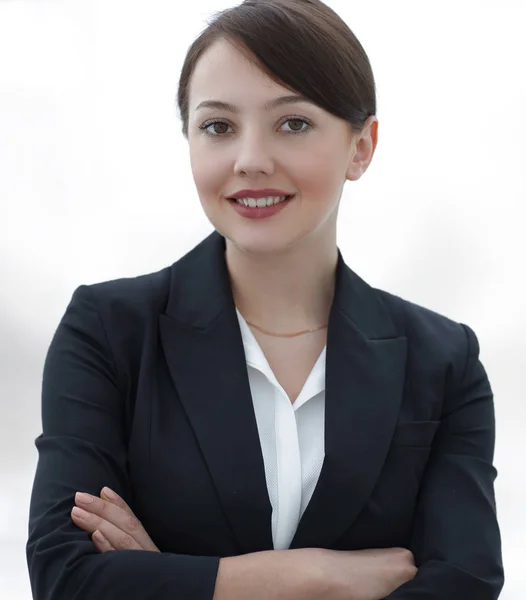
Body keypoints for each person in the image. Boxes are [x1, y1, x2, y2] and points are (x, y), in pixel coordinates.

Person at [26, 0, 504, 598]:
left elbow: (466, 583)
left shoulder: (444, 362)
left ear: (362, 146)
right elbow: (65, 579)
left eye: (293, 123)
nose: (250, 160)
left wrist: (174, 578)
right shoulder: (107, 333)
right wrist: (310, 577)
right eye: (218, 127)